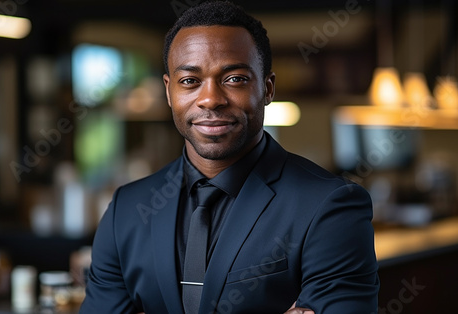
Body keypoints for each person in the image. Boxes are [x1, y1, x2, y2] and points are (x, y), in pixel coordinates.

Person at [80, 1, 379, 313]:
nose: (210, 99)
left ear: (267, 88)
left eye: (234, 78)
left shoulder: (331, 206)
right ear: (169, 92)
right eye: (189, 81)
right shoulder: (126, 209)